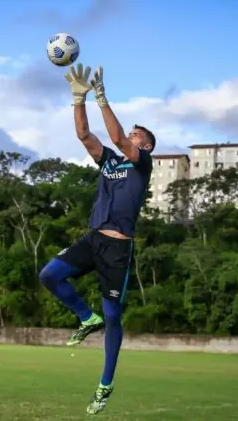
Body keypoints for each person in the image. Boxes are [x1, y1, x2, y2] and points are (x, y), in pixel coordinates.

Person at [39, 63, 156, 415]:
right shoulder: (109, 163)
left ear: (146, 144)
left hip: (118, 248)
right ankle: (85, 317)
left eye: (136, 134)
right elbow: (84, 135)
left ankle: (105, 384)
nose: (130, 135)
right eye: (132, 132)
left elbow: (118, 138)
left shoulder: (142, 163)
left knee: (113, 315)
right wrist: (79, 98)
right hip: (93, 240)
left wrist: (102, 97)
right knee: (49, 275)